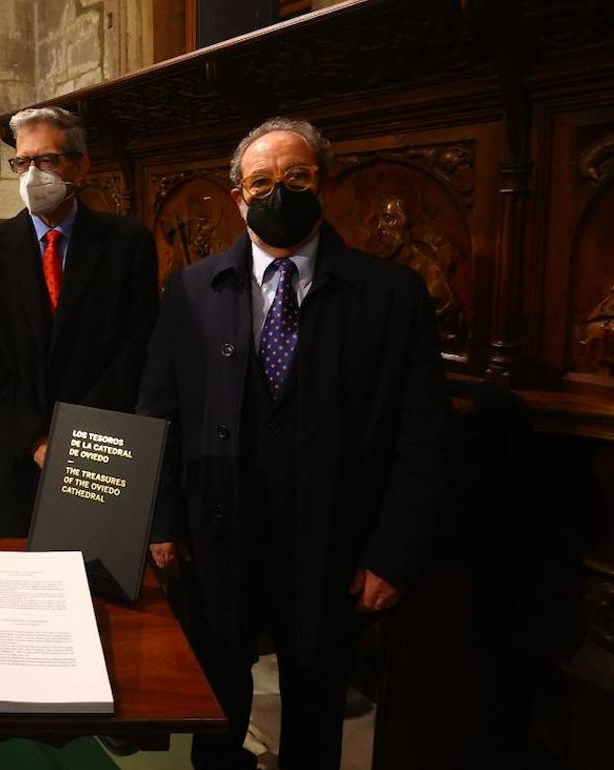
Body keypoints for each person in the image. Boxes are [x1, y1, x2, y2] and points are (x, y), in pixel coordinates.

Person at [137, 117, 453, 770]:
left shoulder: (391, 296)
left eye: (296, 177)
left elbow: (423, 435)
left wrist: (394, 554)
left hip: (333, 540)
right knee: (216, 703)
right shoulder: (192, 291)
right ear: (238, 197)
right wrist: (161, 518)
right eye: (261, 181)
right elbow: (157, 411)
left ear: (324, 184)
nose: (278, 191)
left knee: (315, 701)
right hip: (218, 535)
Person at [0, 106, 159, 536]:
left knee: (97, 572)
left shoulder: (127, 242)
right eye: (22, 162)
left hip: (100, 446)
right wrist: (37, 440)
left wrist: (77, 437)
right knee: (20, 582)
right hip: (17, 449)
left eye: (46, 160)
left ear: (80, 166)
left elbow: (138, 343)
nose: (33, 174)